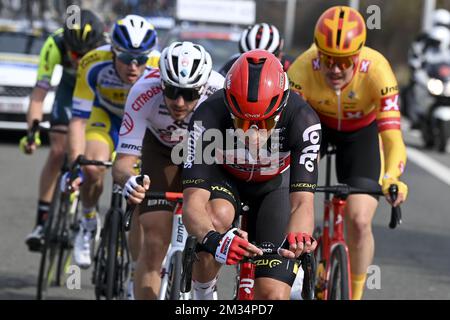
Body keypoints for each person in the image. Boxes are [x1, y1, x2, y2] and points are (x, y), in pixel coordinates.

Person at [178, 49, 320, 300]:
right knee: (217, 216)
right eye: (242, 122)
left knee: (273, 295)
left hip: (275, 187)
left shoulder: (303, 119)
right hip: (226, 181)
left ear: (281, 107)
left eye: (264, 123)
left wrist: (299, 238)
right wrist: (212, 239)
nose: (252, 134)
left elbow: (302, 204)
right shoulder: (208, 116)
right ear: (229, 106)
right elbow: (193, 203)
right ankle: (203, 295)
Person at [288, 6, 408, 300]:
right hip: (314, 125)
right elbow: (288, 135)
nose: (335, 69)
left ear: (359, 54)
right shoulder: (302, 69)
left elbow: (392, 137)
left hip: (360, 134)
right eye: (327, 59)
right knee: (293, 194)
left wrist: (392, 177)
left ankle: (354, 295)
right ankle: (291, 270)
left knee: (359, 219)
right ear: (317, 53)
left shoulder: (378, 70)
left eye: (344, 61)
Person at [112, 41, 224, 300]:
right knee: (154, 242)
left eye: (189, 93)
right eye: (172, 91)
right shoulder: (142, 91)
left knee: (212, 228)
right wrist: (129, 180)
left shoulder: (220, 91)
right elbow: (122, 163)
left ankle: (205, 290)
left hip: (205, 152)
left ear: (204, 87)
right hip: (160, 150)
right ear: (161, 83)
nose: (180, 101)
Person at [67, 14, 160, 269]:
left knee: (141, 192)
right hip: (106, 116)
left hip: (142, 125)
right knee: (92, 167)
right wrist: (76, 162)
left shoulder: (159, 67)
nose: (133, 66)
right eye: (126, 58)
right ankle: (87, 222)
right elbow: (77, 120)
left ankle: (135, 270)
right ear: (112, 53)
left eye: (140, 59)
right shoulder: (92, 62)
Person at [22, 10, 106, 251]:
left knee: (92, 158)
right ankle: (41, 222)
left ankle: (85, 215)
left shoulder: (106, 48)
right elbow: (38, 97)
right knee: (58, 150)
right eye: (74, 54)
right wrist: (32, 134)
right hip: (68, 93)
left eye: (84, 54)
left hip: (95, 95)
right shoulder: (55, 43)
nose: (78, 59)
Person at [218, 23, 293, 76]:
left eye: (264, 62)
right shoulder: (233, 63)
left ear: (280, 55)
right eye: (249, 61)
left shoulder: (290, 65)